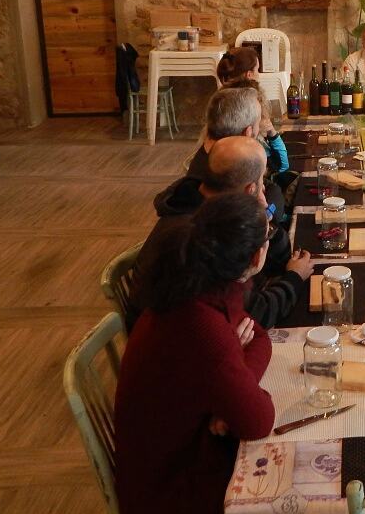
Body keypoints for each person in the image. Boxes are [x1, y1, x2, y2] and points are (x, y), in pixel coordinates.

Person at [115, 193, 276, 514]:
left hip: (167, 454)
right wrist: (235, 382)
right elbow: (259, 419)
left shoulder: (196, 281)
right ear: (256, 257)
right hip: (169, 493)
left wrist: (233, 383)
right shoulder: (203, 327)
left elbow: (259, 336)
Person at [129, 136, 311, 331]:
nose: (265, 189)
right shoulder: (210, 231)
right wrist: (294, 278)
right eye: (261, 181)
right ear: (250, 189)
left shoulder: (197, 200)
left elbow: (277, 261)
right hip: (177, 340)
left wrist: (261, 217)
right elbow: (254, 315)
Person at [187, 87, 285, 219]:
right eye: (258, 123)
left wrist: (269, 209)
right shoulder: (217, 171)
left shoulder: (220, 155)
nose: (259, 129)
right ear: (247, 133)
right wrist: (267, 213)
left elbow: (272, 188)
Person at [216, 47, 291, 180]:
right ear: (249, 75)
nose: (259, 74)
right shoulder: (253, 103)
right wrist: (272, 133)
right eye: (257, 70)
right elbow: (282, 167)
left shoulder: (220, 100)